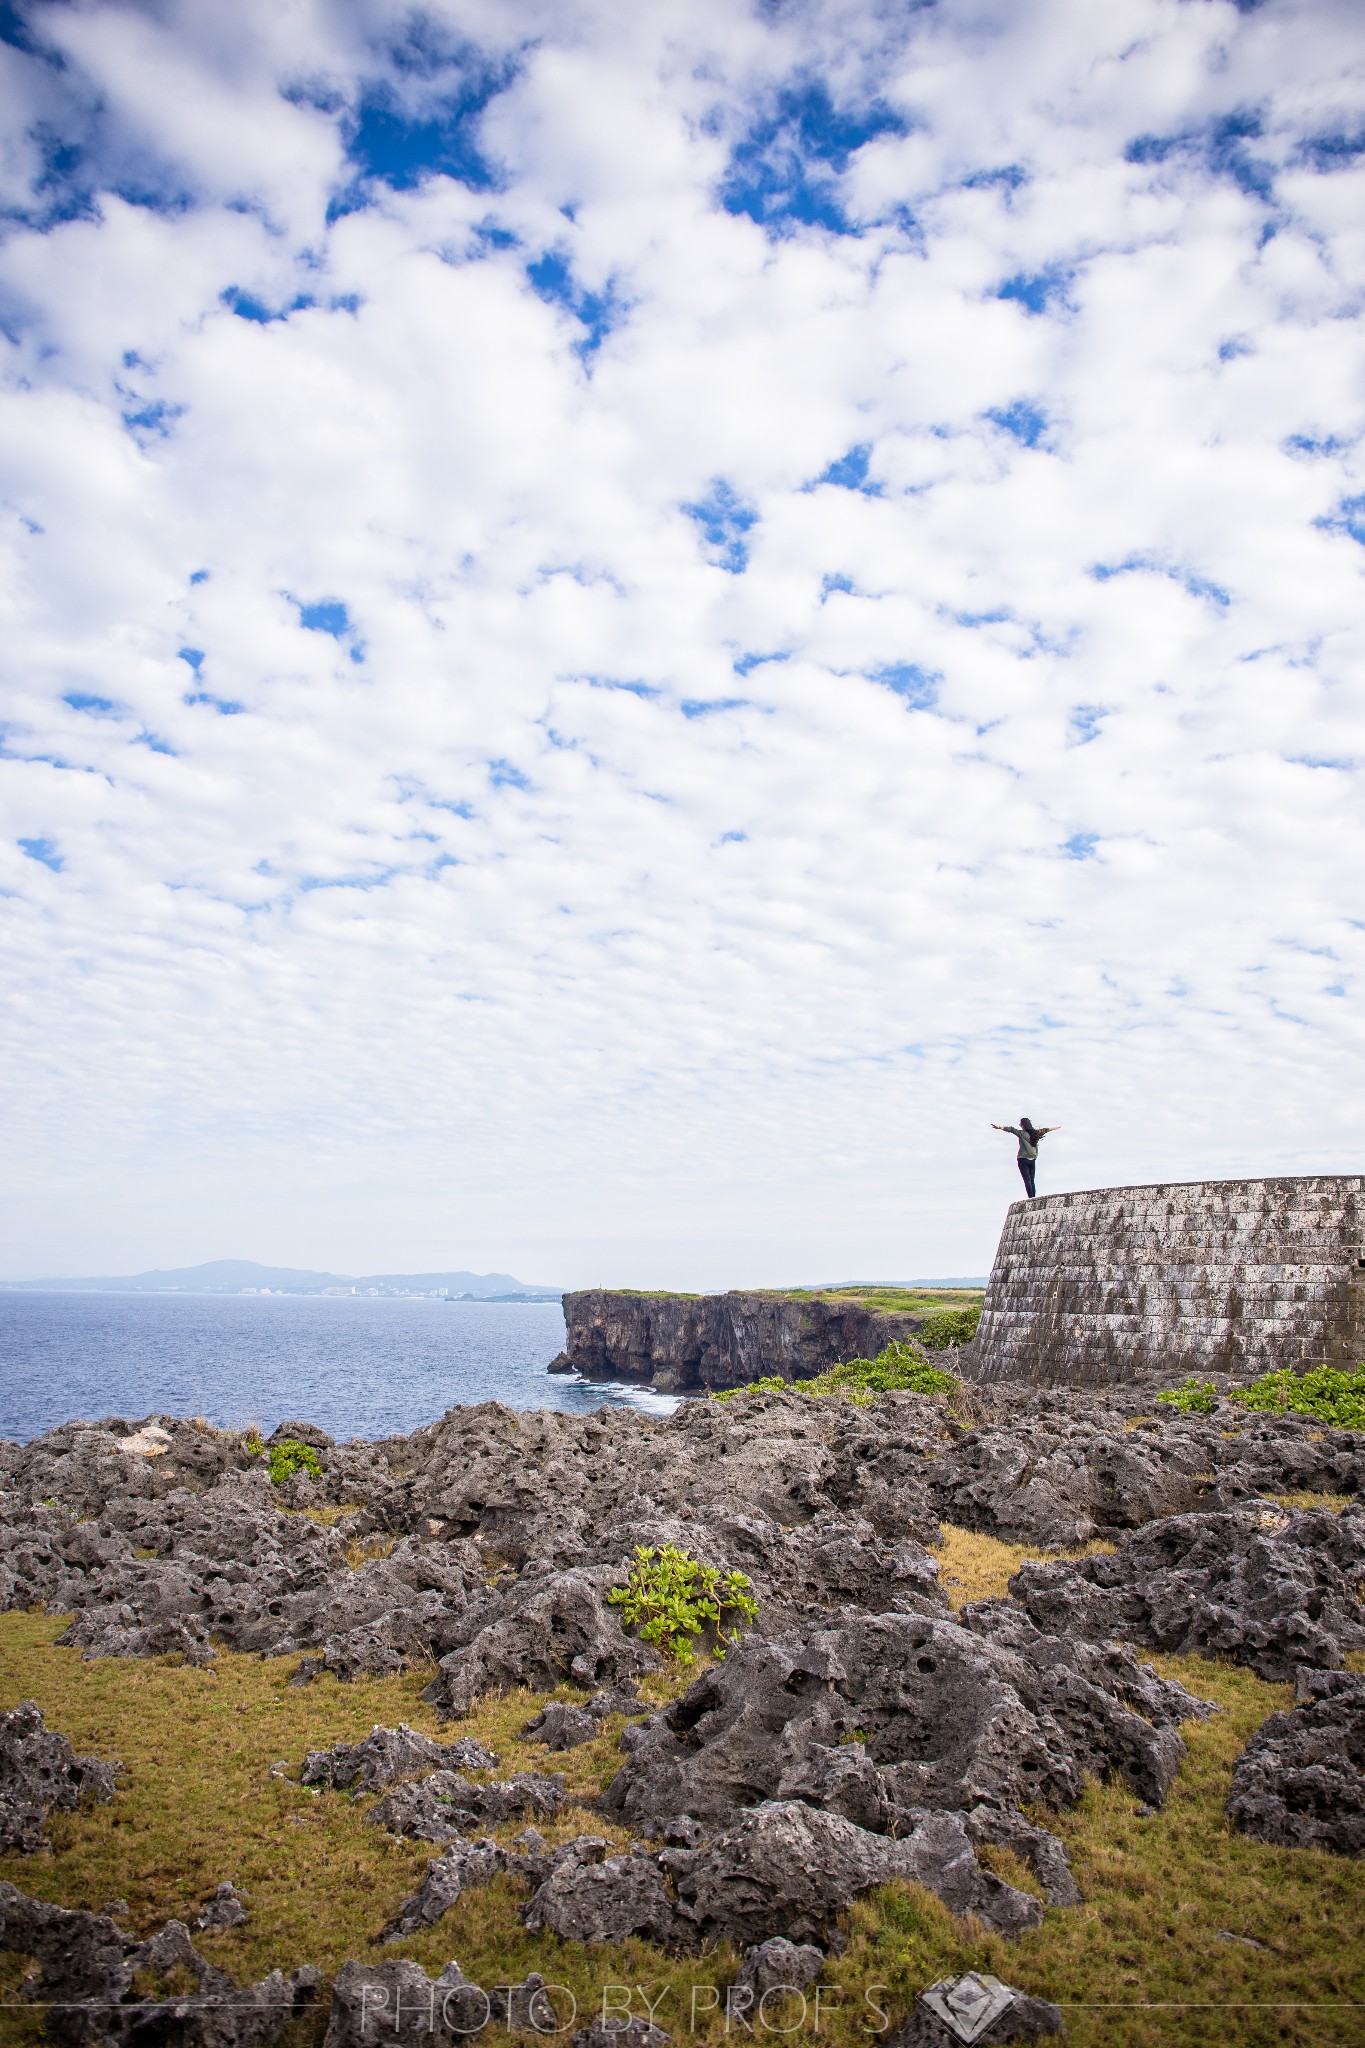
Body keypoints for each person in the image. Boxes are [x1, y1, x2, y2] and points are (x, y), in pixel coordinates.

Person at [991, 1116, 1059, 1200]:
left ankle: (1030, 1198)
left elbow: (1011, 1129)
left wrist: (999, 1127)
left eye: (1020, 1123)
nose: (1019, 1124)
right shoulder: (1036, 1133)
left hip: (1023, 1159)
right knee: (1032, 1180)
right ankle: (1034, 1198)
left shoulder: (1021, 1133)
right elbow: (1045, 1130)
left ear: (1023, 1125)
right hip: (1032, 1159)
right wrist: (1055, 1128)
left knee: (1027, 1180)